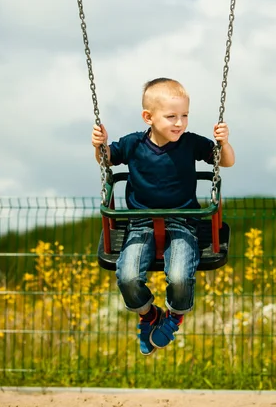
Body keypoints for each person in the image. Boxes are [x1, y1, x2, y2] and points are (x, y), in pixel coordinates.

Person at [91, 77, 235, 356]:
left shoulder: (191, 144)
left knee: (180, 277)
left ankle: (175, 316)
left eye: (184, 116)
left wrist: (223, 143)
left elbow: (225, 161)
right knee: (128, 277)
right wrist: (99, 145)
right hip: (140, 224)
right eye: (171, 116)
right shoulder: (133, 144)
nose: (179, 123)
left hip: (183, 223)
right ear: (148, 117)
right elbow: (107, 158)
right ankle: (148, 315)